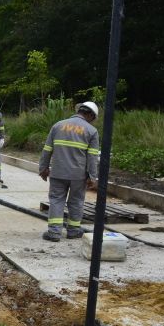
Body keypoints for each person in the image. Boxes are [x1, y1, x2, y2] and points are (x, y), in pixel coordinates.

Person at [38, 101, 100, 242]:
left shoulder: (58, 125)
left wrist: (43, 168)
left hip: (58, 172)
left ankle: (54, 232)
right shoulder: (91, 131)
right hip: (78, 175)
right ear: (90, 114)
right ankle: (73, 231)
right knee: (76, 201)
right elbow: (92, 157)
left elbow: (47, 150)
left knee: (56, 200)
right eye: (93, 118)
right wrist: (92, 177)